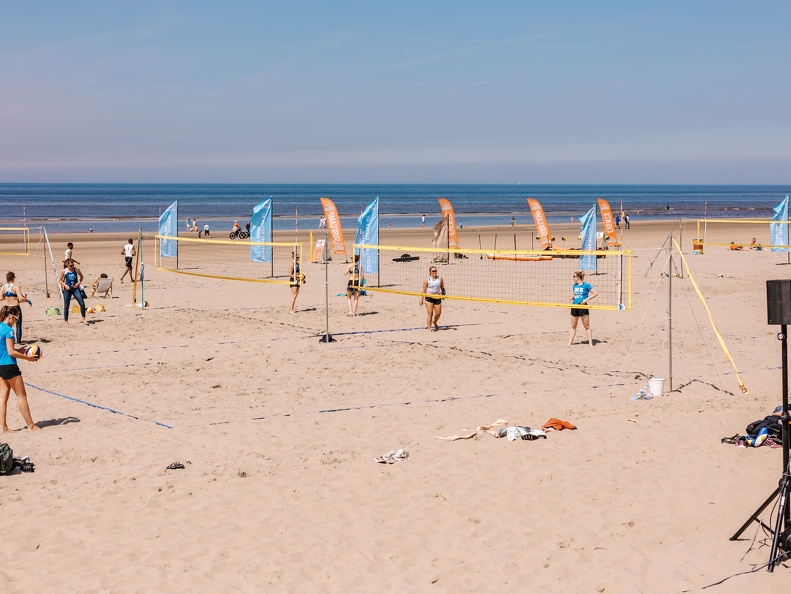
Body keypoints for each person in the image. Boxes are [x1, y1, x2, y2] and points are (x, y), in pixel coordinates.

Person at [0, 306, 41, 433]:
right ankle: (31, 426)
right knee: (21, 396)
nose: (16, 322)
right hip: (9, 366)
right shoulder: (9, 331)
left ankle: (3, 427)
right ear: (11, 317)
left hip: (0, 366)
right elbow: (11, 353)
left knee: (2, 398)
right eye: (16, 319)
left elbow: (5, 350)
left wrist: (20, 351)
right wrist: (27, 358)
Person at [568, 271, 597, 347]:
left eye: (574, 276)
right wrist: (572, 297)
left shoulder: (586, 285)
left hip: (583, 307)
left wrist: (586, 299)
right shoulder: (575, 285)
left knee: (586, 325)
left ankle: (591, 344)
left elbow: (595, 293)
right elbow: (574, 294)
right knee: (573, 326)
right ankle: (570, 342)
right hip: (574, 306)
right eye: (573, 276)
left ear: (578, 277)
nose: (573, 278)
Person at [1, 272, 30, 345]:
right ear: (13, 278)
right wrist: (25, 299)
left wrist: (7, 297)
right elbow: (20, 298)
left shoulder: (3, 287)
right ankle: (18, 342)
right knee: (18, 325)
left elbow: (1, 298)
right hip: (15, 307)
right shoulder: (16, 287)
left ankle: (7, 340)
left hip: (7, 307)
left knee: (7, 324)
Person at [59, 259, 87, 323]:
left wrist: (79, 283)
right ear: (67, 265)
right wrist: (65, 285)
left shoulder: (76, 269)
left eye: (73, 265)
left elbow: (82, 277)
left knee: (82, 303)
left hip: (75, 289)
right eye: (70, 266)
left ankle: (84, 318)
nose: (72, 267)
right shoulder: (64, 271)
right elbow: (60, 280)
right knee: (66, 305)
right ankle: (66, 321)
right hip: (68, 289)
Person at [419, 265, 445, 332]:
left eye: (435, 271)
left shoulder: (440, 279)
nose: (435, 272)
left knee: (438, 313)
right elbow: (424, 290)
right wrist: (421, 299)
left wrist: (443, 292)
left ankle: (435, 322)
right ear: (430, 272)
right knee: (430, 313)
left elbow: (442, 287)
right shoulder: (427, 280)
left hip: (437, 297)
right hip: (429, 297)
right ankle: (429, 328)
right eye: (433, 271)